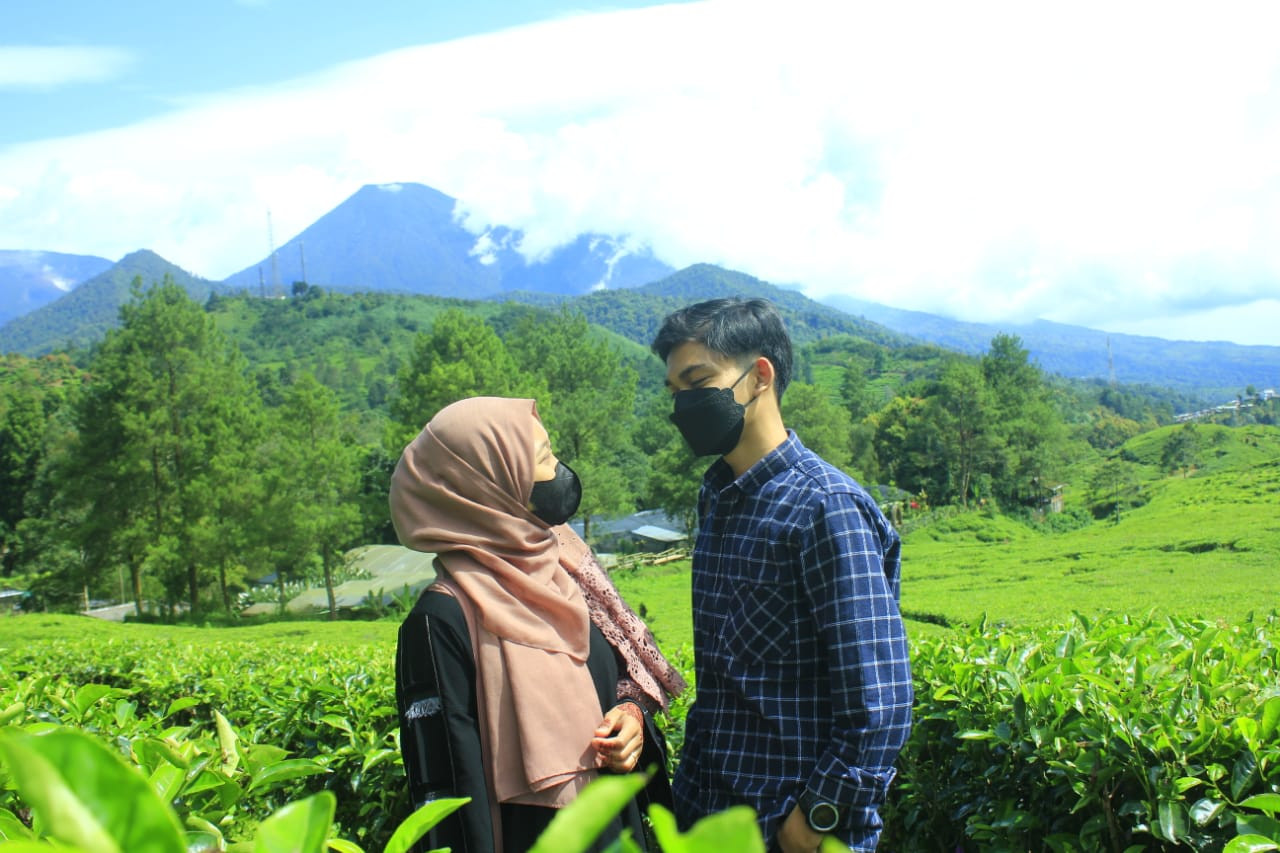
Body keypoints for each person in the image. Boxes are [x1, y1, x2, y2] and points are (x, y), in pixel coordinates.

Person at [651, 298, 912, 852]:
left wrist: (815, 817)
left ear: (760, 376)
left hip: (790, 826)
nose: (684, 406)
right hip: (708, 813)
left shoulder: (826, 507)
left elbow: (880, 702)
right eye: (674, 392)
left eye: (698, 382)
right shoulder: (718, 496)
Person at [389, 396, 686, 853]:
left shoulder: (568, 574)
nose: (558, 471)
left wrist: (632, 719)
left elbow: (619, 682)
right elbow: (449, 797)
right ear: (492, 485)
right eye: (543, 458)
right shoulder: (441, 621)